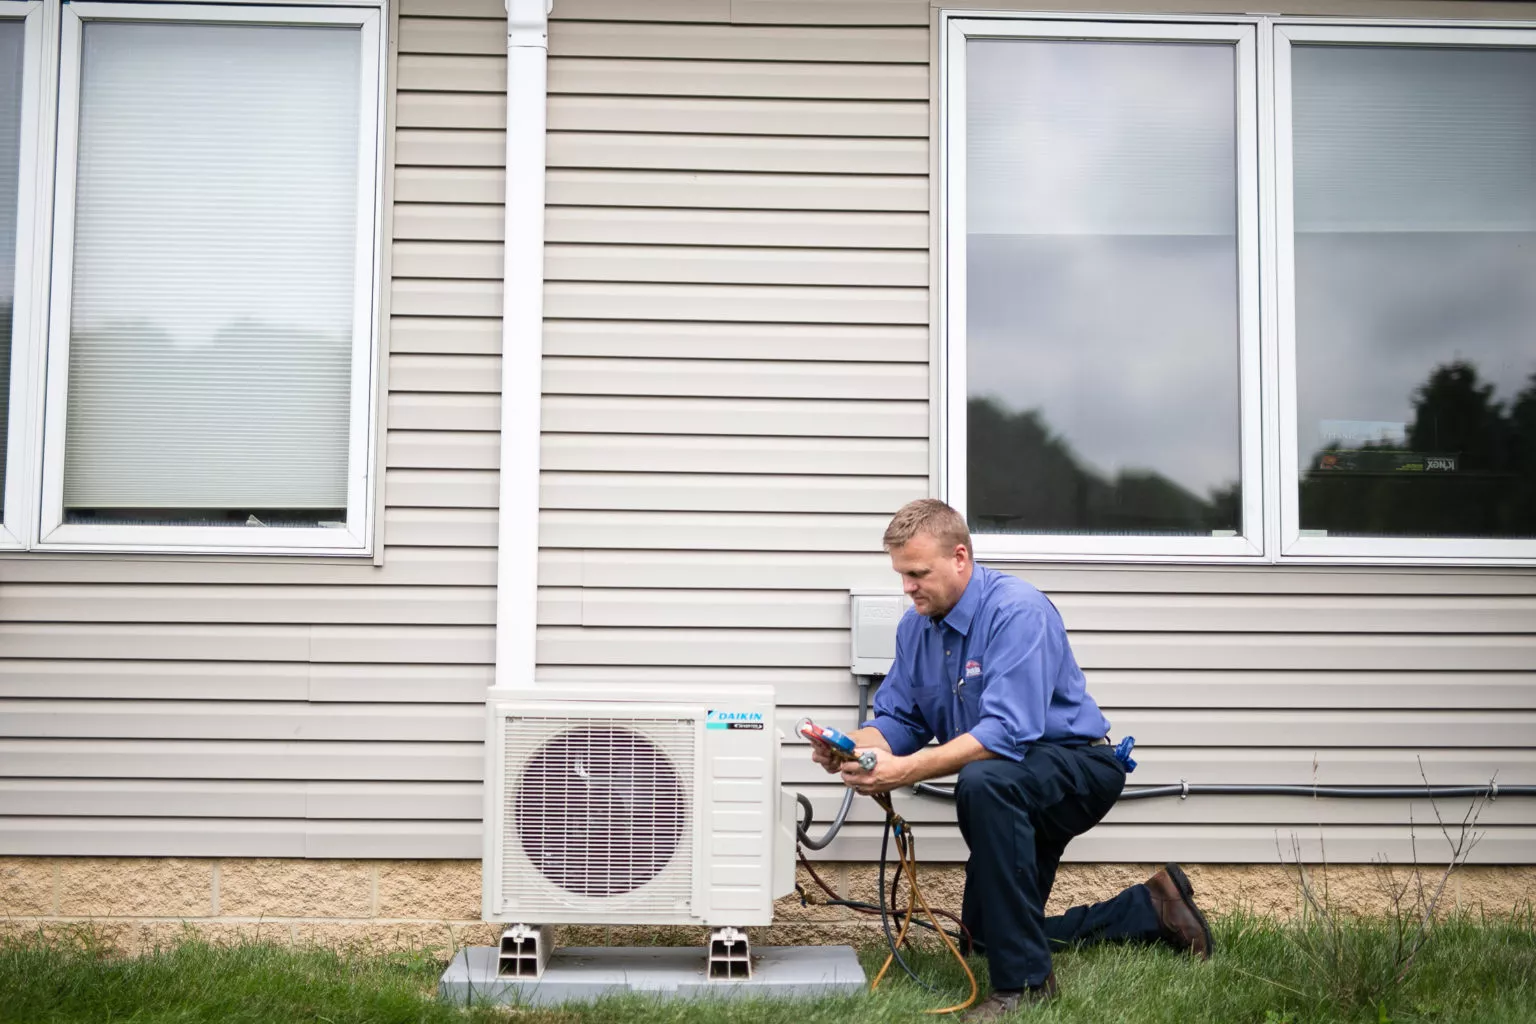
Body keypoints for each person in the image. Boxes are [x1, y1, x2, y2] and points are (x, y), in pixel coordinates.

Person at [811, 498, 1212, 1020]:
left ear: (960, 557)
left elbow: (1004, 734)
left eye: (917, 573)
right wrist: (857, 747)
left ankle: (1023, 987)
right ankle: (1152, 909)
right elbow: (900, 720)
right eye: (901, 575)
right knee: (984, 936)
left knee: (982, 781)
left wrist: (904, 771)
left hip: (1076, 768)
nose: (907, 588)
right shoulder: (915, 629)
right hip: (1011, 776)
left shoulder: (1017, 611)